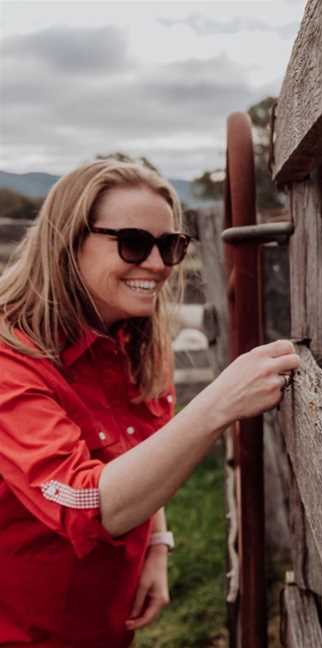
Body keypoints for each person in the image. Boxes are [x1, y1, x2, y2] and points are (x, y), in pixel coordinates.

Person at [0, 160, 300, 646]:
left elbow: (141, 451)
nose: (158, 265)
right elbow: (84, 501)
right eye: (134, 243)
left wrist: (157, 545)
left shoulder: (133, 341)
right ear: (69, 242)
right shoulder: (12, 362)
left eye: (171, 245)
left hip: (104, 623)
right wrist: (217, 405)